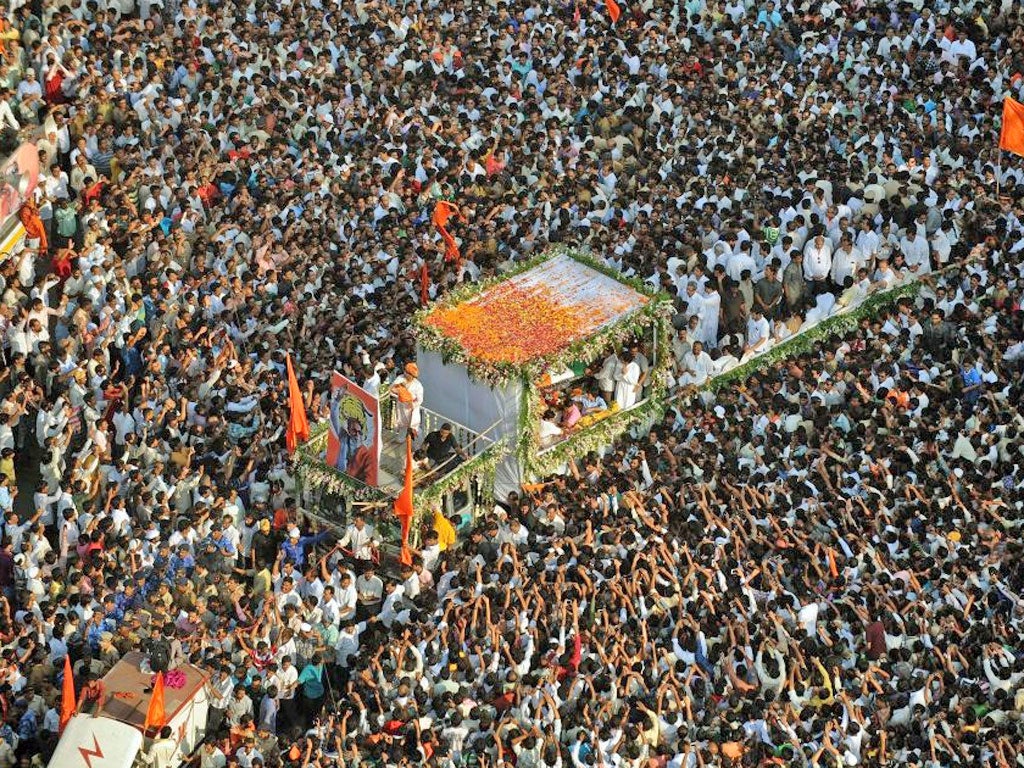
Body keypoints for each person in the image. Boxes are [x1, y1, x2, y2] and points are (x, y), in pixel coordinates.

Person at [390, 363, 424, 439]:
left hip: (411, 407)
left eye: (408, 373)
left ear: (412, 375)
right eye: (405, 371)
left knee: (414, 427)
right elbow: (391, 389)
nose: (405, 373)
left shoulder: (418, 385)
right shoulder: (400, 378)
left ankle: (418, 443)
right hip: (401, 405)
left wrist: (413, 405)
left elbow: (420, 399)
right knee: (402, 424)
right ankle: (401, 439)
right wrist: (399, 389)